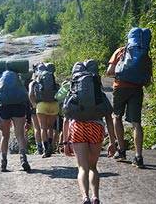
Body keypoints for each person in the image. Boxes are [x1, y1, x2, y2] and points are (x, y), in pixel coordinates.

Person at [63, 60, 116, 204]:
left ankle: (85, 197)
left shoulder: (73, 89)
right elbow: (109, 118)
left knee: (82, 168)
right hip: (96, 127)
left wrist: (65, 141)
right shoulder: (99, 92)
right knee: (93, 167)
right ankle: (96, 197)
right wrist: (112, 141)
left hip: (78, 127)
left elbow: (66, 118)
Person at [106, 28, 152, 168]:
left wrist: (121, 73)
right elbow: (148, 81)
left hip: (120, 88)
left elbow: (109, 72)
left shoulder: (121, 51)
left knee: (117, 116)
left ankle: (121, 151)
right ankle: (138, 156)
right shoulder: (145, 55)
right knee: (136, 123)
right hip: (136, 90)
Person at [0, 71, 31, 172]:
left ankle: (3, 162)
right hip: (19, 108)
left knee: (5, 136)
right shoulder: (19, 85)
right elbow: (27, 102)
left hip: (4, 109)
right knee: (20, 135)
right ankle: (23, 159)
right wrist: (29, 120)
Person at [28, 62, 59, 158]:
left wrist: (34, 105)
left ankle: (46, 149)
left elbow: (30, 94)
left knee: (43, 128)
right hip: (54, 105)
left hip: (41, 106)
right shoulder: (53, 80)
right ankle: (50, 146)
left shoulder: (34, 81)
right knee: (50, 127)